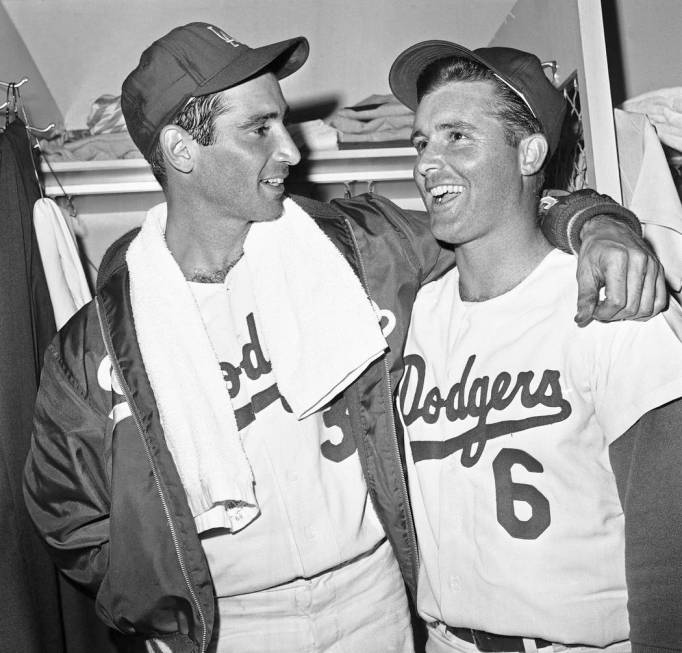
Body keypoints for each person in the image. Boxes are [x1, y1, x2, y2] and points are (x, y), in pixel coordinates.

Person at [23, 23, 666, 653]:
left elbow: (503, 214)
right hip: (227, 626)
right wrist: (163, 595)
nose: (293, 151)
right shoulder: (100, 341)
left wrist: (599, 225)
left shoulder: (359, 249)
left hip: (375, 600)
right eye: (259, 129)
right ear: (182, 151)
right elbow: (64, 512)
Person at [391, 41, 682, 652]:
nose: (427, 163)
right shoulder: (416, 307)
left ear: (529, 153)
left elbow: (669, 544)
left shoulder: (613, 300)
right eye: (421, 142)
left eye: (457, 138)